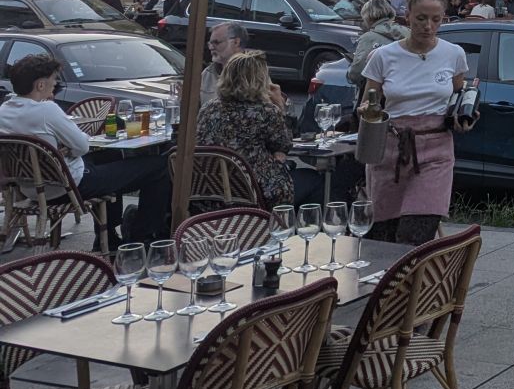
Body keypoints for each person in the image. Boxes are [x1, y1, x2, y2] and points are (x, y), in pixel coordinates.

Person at [0, 53, 171, 243]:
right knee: (159, 166)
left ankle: (108, 237)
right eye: (53, 80)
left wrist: (59, 148)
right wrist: (68, 146)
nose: (55, 85)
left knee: (111, 156)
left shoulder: (4, 110)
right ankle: (142, 236)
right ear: (40, 85)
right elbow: (82, 145)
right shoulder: (46, 109)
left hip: (32, 188)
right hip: (68, 187)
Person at [361, 0, 470, 244]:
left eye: (436, 20)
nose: (428, 26)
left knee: (416, 233)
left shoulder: (453, 54)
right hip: (391, 148)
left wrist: (464, 118)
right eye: (421, 18)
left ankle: (416, 284)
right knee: (383, 236)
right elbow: (367, 102)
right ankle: (388, 285)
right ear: (407, 15)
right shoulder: (383, 56)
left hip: (436, 150)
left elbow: (459, 97)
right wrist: (367, 110)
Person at [195, 50, 312, 208]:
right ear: (260, 80)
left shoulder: (208, 109)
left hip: (212, 191)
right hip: (254, 191)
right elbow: (285, 145)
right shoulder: (266, 111)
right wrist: (281, 108)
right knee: (316, 182)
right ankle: (287, 228)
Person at [200, 22, 288, 114]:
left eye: (216, 42)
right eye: (209, 43)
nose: (211, 47)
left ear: (236, 42)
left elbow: (273, 115)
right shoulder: (207, 74)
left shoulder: (256, 71)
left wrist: (280, 105)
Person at [348, 0, 406, 92]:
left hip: (379, 93)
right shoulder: (408, 32)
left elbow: (357, 72)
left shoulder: (368, 38)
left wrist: (350, 72)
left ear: (367, 17)